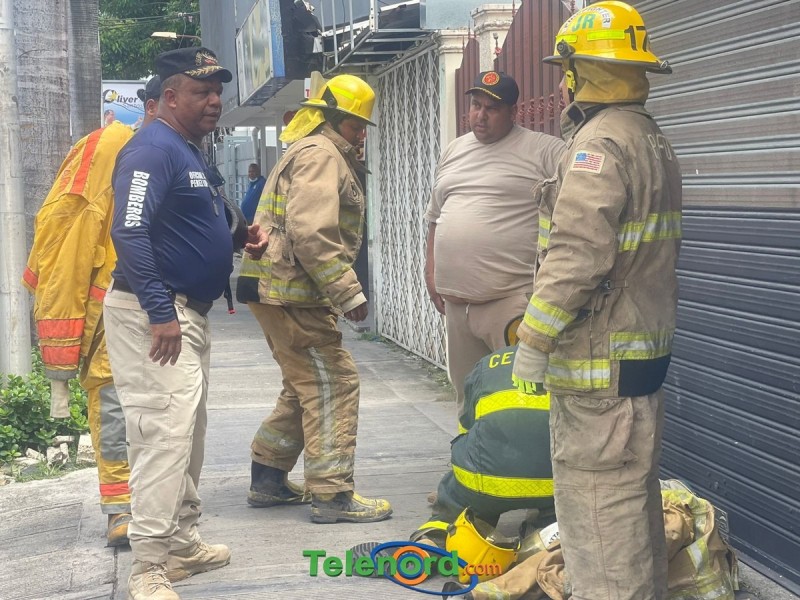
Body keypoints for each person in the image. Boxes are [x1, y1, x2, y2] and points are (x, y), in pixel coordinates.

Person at [512, 3, 682, 599]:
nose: (562, 81)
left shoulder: (599, 144)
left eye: (567, 69)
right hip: (638, 358)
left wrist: (533, 338)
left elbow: (578, 252)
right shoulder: (648, 137)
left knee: (598, 512)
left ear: (581, 70)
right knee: (631, 503)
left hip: (597, 363)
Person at [103, 47, 268, 600]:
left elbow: (188, 219)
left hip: (183, 313)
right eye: (201, 92)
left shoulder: (186, 149)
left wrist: (238, 237)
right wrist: (159, 311)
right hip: (154, 314)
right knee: (163, 438)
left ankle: (181, 545)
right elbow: (129, 231)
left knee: (186, 436)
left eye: (217, 90)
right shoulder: (152, 149)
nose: (214, 101)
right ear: (169, 97)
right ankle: (149, 567)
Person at [236, 72, 392, 525]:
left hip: (278, 290)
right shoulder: (323, 155)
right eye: (355, 125)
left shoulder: (310, 149)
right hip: (291, 295)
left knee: (303, 383)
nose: (361, 135)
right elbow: (311, 233)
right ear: (332, 119)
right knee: (334, 383)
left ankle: (268, 477)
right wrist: (348, 292)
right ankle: (332, 493)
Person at [22, 76, 164, 549]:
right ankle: (121, 508)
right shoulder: (108, 151)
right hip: (115, 310)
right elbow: (63, 241)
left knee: (164, 410)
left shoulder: (179, 155)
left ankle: (160, 501)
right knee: (116, 405)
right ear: (155, 106)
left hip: (172, 306)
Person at [424, 71, 566, 419]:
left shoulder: (545, 150)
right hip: (457, 306)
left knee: (518, 399)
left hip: (510, 301)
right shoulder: (454, 151)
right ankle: (470, 454)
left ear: (513, 112)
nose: (480, 116)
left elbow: (579, 205)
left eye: (492, 108)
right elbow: (435, 218)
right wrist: (431, 271)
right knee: (467, 398)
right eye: (476, 106)